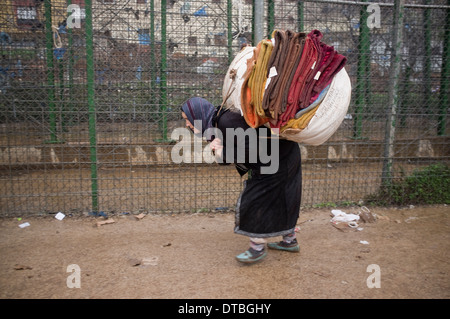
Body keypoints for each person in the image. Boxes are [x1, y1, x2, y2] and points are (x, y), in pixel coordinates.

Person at [181, 97, 302, 264]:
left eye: (187, 119)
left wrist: (221, 151)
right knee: (284, 196)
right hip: (286, 154)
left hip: (277, 158)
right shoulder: (219, 121)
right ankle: (289, 240)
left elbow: (248, 151)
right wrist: (219, 150)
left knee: (255, 199)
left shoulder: (226, 121)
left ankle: (256, 249)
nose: (187, 124)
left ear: (197, 115)